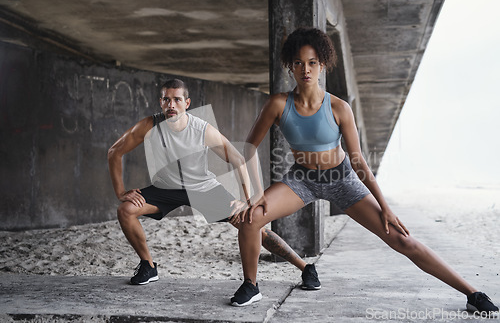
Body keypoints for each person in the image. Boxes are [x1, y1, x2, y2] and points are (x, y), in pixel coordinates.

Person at [230, 27, 499, 315]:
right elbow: (248, 148)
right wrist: (256, 193)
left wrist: (386, 207)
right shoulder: (278, 104)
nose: (305, 69)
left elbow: (358, 161)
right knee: (250, 219)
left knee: (401, 239)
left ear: (322, 65)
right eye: (298, 63)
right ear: (290, 66)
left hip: (342, 179)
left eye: (312, 63)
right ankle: (251, 285)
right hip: (302, 180)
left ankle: (472, 292)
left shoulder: (339, 107)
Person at [107, 78, 320, 294]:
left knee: (252, 223)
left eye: (177, 100)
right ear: (160, 102)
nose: (171, 105)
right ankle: (148, 266)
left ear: (187, 103)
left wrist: (247, 200)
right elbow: (115, 151)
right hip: (165, 189)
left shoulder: (201, 129)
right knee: (126, 210)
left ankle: (305, 268)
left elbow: (237, 159)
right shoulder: (149, 125)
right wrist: (120, 191)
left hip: (202, 188)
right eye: (166, 100)